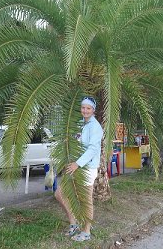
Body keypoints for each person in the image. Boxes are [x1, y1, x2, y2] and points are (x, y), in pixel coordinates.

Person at [54, 96, 103, 242]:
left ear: (93, 110)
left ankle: (86, 231)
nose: (85, 110)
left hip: (87, 168)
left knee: (85, 200)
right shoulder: (81, 124)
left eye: (88, 108)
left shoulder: (95, 127)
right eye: (83, 108)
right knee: (59, 193)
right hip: (75, 165)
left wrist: (78, 164)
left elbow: (93, 149)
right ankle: (73, 223)